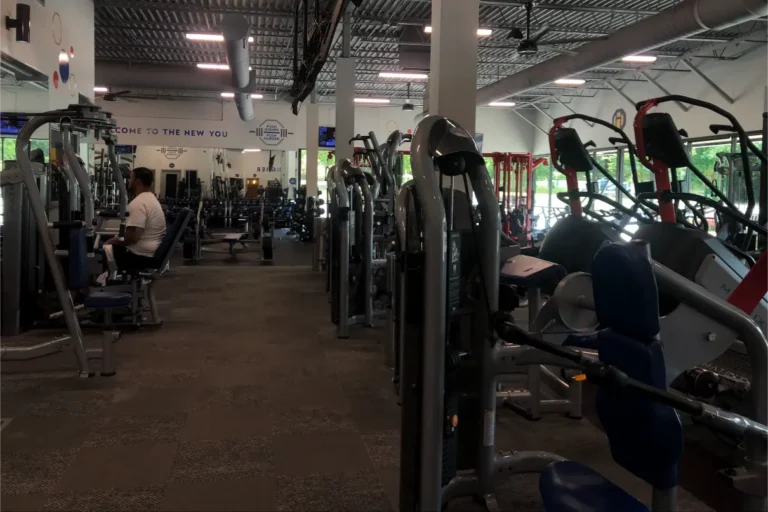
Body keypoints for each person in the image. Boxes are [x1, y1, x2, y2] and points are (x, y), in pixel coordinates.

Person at [104, 167, 166, 271]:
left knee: (102, 249)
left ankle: (100, 281)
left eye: (130, 178)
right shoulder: (151, 199)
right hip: (149, 252)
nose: (129, 181)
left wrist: (109, 241)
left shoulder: (138, 203)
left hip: (139, 256)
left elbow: (131, 238)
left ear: (137, 182)